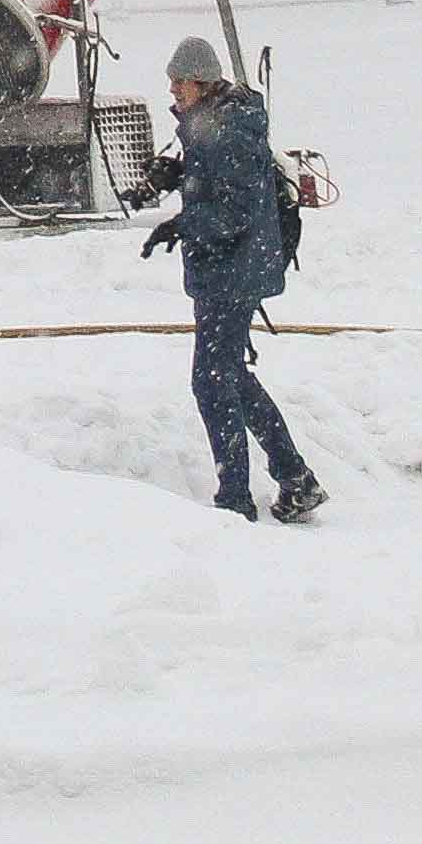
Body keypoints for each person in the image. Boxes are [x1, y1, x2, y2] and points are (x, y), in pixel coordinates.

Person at [141, 35, 324, 525]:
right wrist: (178, 175)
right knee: (231, 377)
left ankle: (235, 497)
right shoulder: (213, 123)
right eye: (172, 82)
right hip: (229, 267)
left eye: (180, 82)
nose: (173, 91)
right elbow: (217, 182)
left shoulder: (229, 127)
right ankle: (295, 479)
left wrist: (183, 223)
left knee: (211, 381)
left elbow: (235, 210)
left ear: (202, 82)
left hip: (234, 271)